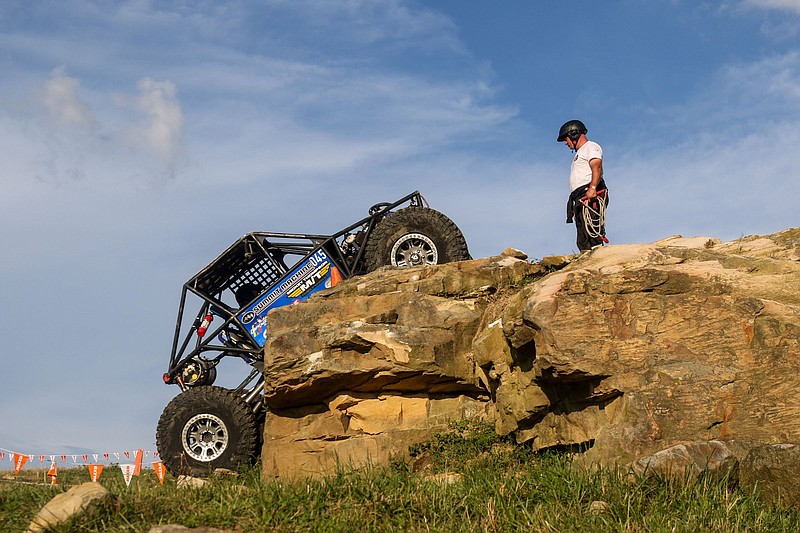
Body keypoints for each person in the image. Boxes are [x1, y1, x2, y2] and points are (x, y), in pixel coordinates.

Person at [557, 119, 609, 252]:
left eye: (566, 139)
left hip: (590, 194)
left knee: (592, 231)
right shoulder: (580, 152)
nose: (566, 143)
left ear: (573, 134)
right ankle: (586, 259)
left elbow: (596, 165)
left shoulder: (591, 146)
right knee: (582, 235)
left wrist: (592, 188)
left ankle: (598, 257)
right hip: (579, 197)